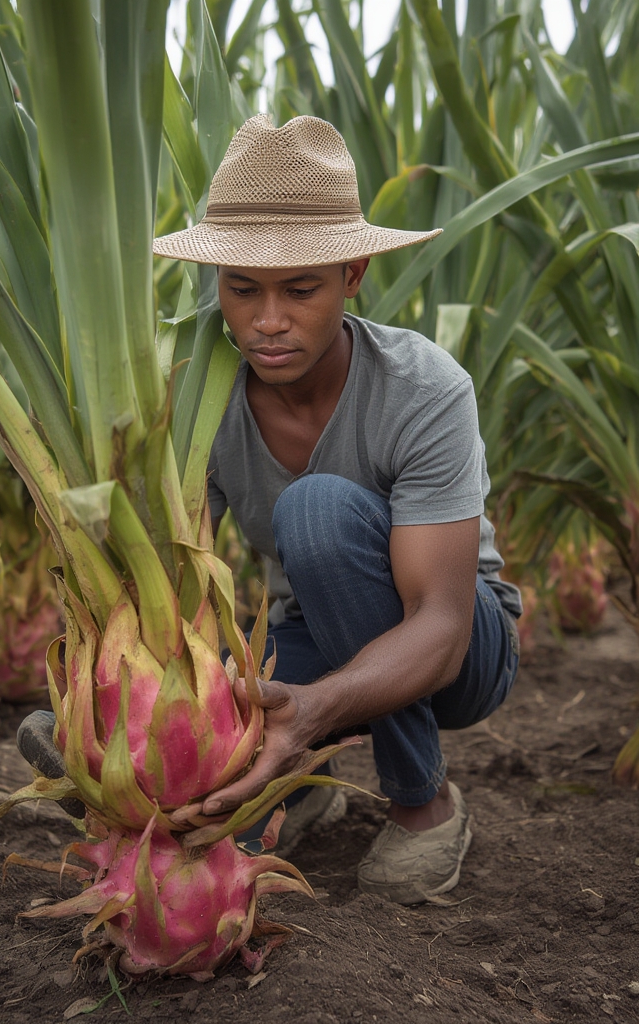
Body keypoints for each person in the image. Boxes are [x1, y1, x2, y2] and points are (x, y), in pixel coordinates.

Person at [151, 114, 521, 906]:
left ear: (352, 274)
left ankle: (423, 803)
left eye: (301, 289)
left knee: (315, 513)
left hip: (459, 648)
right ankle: (300, 787)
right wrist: (158, 713)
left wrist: (312, 709)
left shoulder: (422, 389)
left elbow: (443, 624)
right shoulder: (198, 394)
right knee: (205, 722)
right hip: (306, 632)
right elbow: (177, 578)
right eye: (242, 290)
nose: (269, 320)